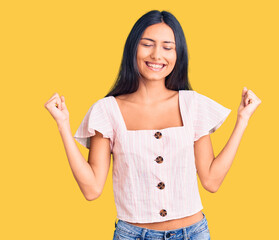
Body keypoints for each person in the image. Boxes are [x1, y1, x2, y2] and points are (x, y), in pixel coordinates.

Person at [44, 10, 261, 240]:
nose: (157, 55)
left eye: (168, 47)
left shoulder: (192, 104)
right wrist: (63, 125)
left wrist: (242, 120)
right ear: (133, 48)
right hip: (132, 234)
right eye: (147, 44)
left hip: (193, 233)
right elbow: (92, 189)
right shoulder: (107, 111)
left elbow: (211, 180)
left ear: (178, 54)